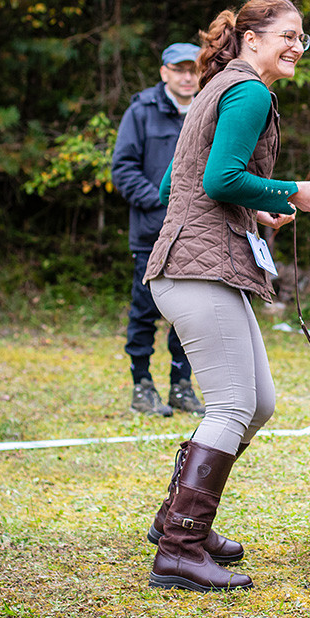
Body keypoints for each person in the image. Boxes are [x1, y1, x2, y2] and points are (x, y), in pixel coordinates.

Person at [141, 0, 310, 592]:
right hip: (198, 269)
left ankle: (179, 516)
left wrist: (257, 207)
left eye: (303, 38)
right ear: (253, 39)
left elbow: (180, 177)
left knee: (261, 404)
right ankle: (180, 547)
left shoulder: (217, 86)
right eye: (288, 35)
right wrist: (290, 192)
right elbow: (218, 177)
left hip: (197, 262)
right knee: (230, 407)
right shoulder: (249, 91)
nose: (297, 46)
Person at [111, 42, 204, 416]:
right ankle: (142, 386)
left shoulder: (208, 108)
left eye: (193, 69)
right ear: (163, 72)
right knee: (144, 312)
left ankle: (181, 386)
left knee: (189, 315)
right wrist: (162, 201)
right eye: (178, 69)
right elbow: (123, 170)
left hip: (196, 235)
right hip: (151, 232)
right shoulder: (141, 112)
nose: (186, 77)